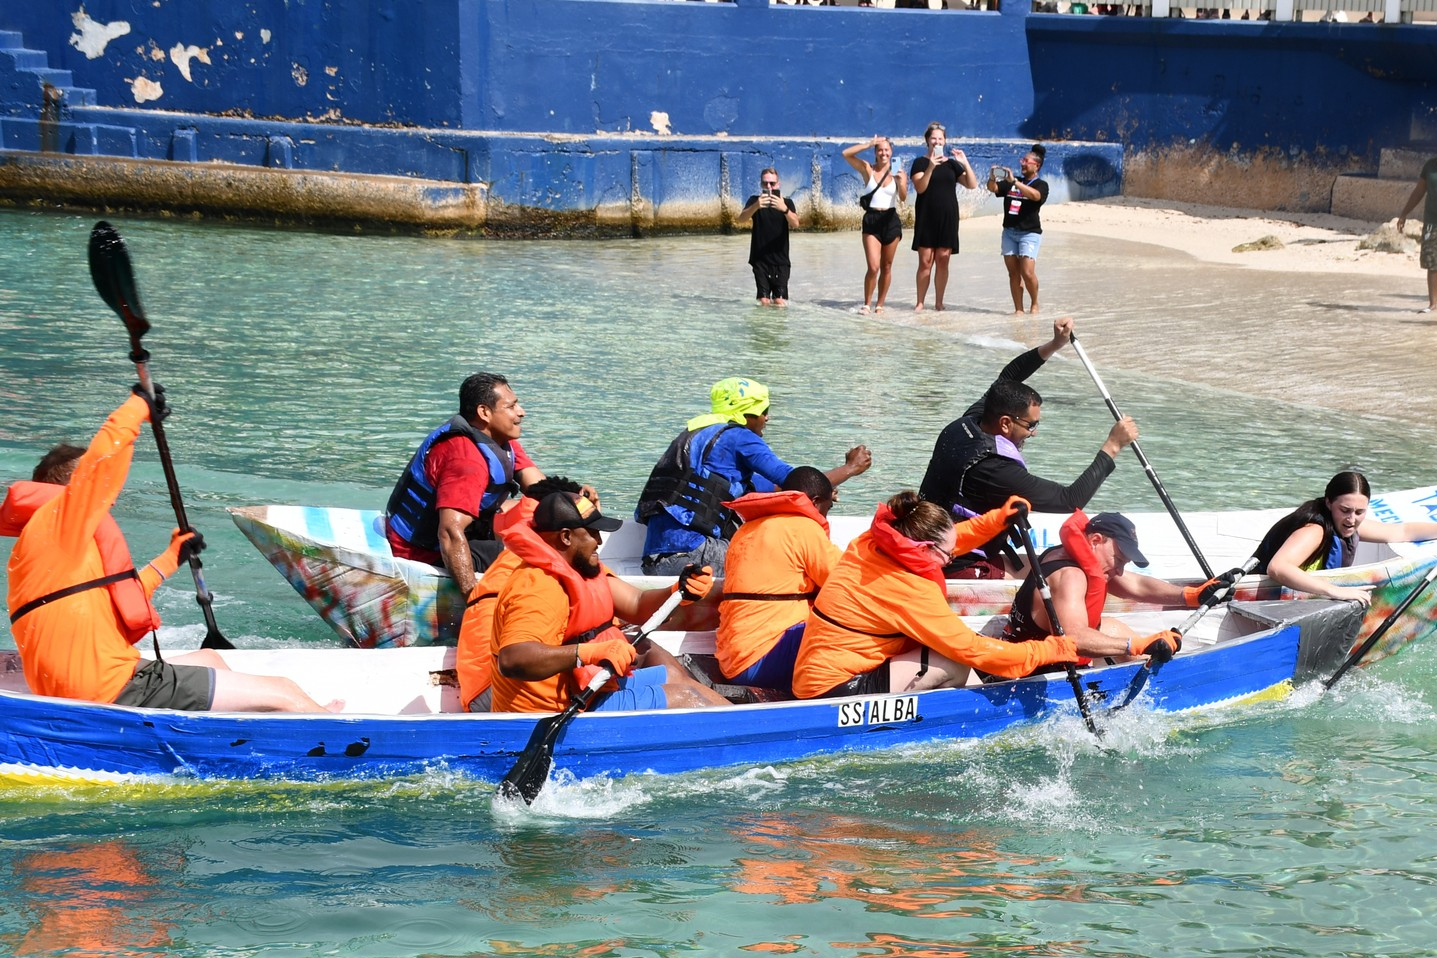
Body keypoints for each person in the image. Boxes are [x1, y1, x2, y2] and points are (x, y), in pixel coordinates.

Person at [1, 390, 340, 712]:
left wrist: (170, 557)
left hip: (75, 683)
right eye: (99, 491)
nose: (111, 499)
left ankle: (236, 728)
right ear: (75, 489)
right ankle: (333, 733)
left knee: (211, 659)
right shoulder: (60, 519)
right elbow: (101, 462)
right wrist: (137, 407)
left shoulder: (45, 544)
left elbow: (114, 600)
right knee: (284, 690)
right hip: (108, 686)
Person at [792, 492, 1080, 699]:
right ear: (923, 548)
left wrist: (998, 520)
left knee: (957, 654)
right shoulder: (909, 589)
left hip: (819, 671)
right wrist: (1047, 651)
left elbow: (950, 539)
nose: (951, 559)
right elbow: (971, 649)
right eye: (949, 556)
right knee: (955, 660)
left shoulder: (872, 541)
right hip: (832, 690)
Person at [918, 316, 1138, 577]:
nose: (1033, 433)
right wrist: (1113, 446)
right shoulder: (994, 470)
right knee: (1073, 573)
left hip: (933, 540)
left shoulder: (970, 421)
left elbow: (1009, 377)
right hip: (957, 565)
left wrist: (1054, 345)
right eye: (1030, 425)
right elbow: (1070, 499)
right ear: (1005, 423)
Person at [489, 491, 730, 713]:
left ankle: (746, 724)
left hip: (592, 689)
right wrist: (589, 652)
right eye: (592, 532)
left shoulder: (580, 567)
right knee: (685, 697)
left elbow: (637, 603)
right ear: (566, 537)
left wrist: (679, 589)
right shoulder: (537, 587)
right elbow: (513, 659)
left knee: (673, 676)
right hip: (555, 713)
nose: (599, 541)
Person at [384, 371, 595, 596]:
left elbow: (541, 490)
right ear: (484, 412)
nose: (521, 412)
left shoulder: (498, 442)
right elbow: (450, 533)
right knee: (542, 556)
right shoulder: (466, 459)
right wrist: (472, 598)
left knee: (539, 520)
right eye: (511, 406)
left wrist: (580, 499)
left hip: (467, 532)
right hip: (425, 552)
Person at [635, 377, 872, 576]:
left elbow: (778, 488)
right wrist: (850, 468)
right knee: (793, 558)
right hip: (694, 556)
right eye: (763, 411)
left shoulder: (696, 436)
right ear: (745, 414)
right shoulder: (739, 436)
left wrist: (825, 490)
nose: (767, 418)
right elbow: (800, 484)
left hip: (655, 560)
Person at [999, 510, 1243, 673]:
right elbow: (1073, 638)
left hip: (1028, 649)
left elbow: (1137, 585)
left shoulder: (1067, 554)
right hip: (1032, 674)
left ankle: (1151, 673)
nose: (1120, 569)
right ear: (1095, 540)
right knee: (1122, 638)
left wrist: (1190, 596)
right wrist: (1138, 645)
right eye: (1119, 559)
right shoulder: (1070, 576)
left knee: (1112, 627)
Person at [715, 466, 842, 692]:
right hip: (765, 658)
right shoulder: (804, 527)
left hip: (732, 661)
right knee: (858, 630)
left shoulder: (745, 530)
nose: (825, 517)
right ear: (815, 502)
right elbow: (846, 585)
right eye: (827, 508)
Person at [1253, 471, 1437, 607]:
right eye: (1345, 510)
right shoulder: (1315, 530)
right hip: (1256, 600)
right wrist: (1335, 591)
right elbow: (1277, 567)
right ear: (1329, 503)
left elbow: (1401, 532)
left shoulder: (1346, 523)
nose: (1351, 519)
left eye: (1359, 512)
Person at [909, 121, 978, 312]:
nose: (937, 142)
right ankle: (920, 302)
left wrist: (965, 162)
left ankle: (939, 302)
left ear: (945, 141)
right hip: (927, 216)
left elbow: (971, 184)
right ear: (927, 141)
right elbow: (920, 188)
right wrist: (931, 167)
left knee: (943, 259)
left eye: (940, 139)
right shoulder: (920, 163)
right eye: (934, 138)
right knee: (925, 262)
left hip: (948, 217)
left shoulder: (952, 165)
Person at [842, 136, 908, 314]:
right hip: (872, 219)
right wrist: (869, 143)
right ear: (875, 153)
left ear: (891, 152)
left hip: (891, 220)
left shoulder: (899, 173)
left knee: (886, 266)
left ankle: (880, 304)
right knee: (873, 267)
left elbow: (903, 197)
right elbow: (846, 154)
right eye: (880, 150)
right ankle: (867, 304)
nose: (883, 153)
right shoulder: (867, 169)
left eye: (886, 150)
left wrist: (900, 181)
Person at [987, 144, 1050, 315]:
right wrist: (992, 177)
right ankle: (1018, 309)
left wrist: (1015, 182)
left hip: (1029, 233)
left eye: (1026, 161)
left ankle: (1034, 303)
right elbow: (993, 188)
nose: (1022, 163)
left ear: (1037, 165)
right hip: (1009, 232)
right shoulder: (1012, 182)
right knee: (1013, 273)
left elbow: (1035, 196)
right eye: (1022, 160)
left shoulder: (1041, 185)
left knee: (1027, 272)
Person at [736, 168, 800, 306]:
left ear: (778, 184)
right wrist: (756, 206)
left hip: (781, 261)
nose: (769, 187)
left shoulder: (787, 203)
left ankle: (779, 321)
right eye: (765, 183)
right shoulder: (754, 201)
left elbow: (796, 224)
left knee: (779, 301)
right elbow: (741, 219)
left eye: (772, 183)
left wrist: (784, 209)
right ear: (761, 184)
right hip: (760, 260)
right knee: (763, 301)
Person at [1395, 155, 1437, 315]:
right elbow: (1419, 192)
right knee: (1432, 262)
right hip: (1432, 223)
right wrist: (1404, 213)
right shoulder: (1430, 166)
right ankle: (1433, 304)